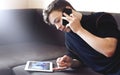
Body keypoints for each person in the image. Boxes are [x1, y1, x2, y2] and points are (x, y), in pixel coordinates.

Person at [42, 0, 120, 75]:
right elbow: (81, 61)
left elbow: (109, 50)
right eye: (54, 24)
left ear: (68, 10)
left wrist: (79, 30)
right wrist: (71, 62)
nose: (57, 27)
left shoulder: (101, 18)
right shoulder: (69, 37)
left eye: (57, 20)